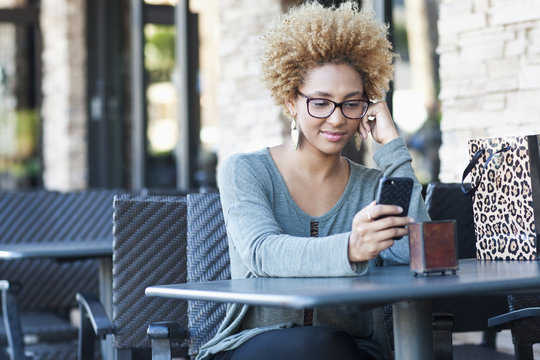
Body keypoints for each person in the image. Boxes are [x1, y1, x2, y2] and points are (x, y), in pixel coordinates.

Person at [198, 2, 430, 359]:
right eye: (320, 103)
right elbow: (263, 253)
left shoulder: (371, 185)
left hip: (349, 347)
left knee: (329, 347)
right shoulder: (245, 171)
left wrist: (392, 147)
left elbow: (421, 253)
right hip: (252, 345)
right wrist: (351, 248)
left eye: (351, 103)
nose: (337, 119)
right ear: (291, 101)